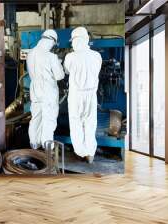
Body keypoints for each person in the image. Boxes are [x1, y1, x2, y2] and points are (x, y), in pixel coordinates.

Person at [64, 27, 102, 163]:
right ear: (86, 39)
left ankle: (80, 152)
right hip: (91, 95)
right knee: (90, 123)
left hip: (76, 96)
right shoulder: (97, 56)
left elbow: (66, 72)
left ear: (74, 41)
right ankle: (90, 154)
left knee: (76, 123)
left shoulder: (70, 57)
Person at [26, 29, 65, 149]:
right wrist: (59, 63)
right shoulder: (51, 56)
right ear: (52, 41)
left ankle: (34, 143)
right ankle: (47, 145)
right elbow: (59, 76)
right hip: (48, 90)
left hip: (35, 89)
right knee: (49, 118)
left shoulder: (30, 54)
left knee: (36, 117)